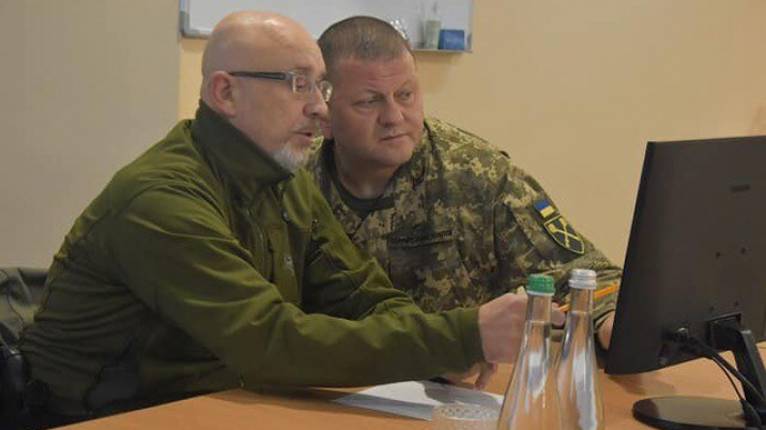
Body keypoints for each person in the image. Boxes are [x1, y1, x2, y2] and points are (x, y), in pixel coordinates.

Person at [18, 11, 544, 424]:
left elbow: (362, 297)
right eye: (298, 84)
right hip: (104, 415)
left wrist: (438, 353)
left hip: (217, 401)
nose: (320, 108)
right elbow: (272, 343)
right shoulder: (161, 199)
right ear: (225, 92)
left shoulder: (283, 179)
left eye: (322, 87)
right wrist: (463, 334)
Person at [306, 16, 620, 350]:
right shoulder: (293, 178)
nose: (394, 117)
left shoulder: (478, 175)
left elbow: (592, 278)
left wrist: (608, 321)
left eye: (405, 94)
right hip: (326, 376)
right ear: (324, 113)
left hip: (456, 378)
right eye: (369, 101)